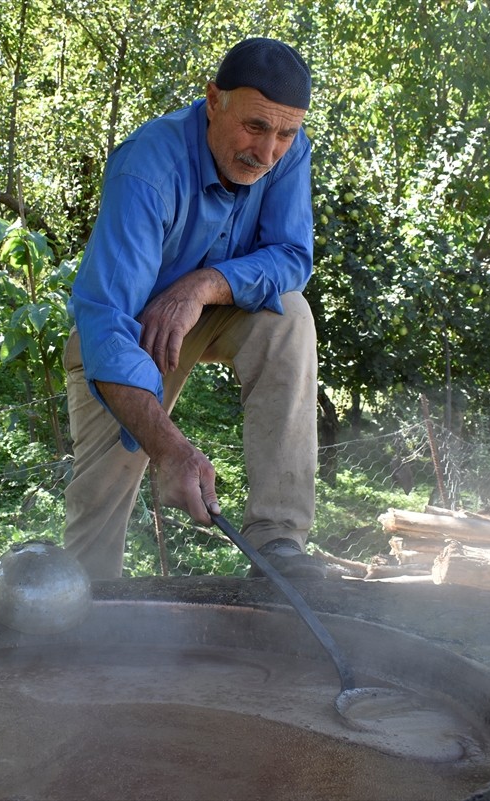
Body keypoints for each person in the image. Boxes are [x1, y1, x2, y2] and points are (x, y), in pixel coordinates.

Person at [63, 37, 328, 581]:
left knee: (291, 318)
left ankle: (278, 542)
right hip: (130, 329)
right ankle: (88, 619)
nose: (269, 152)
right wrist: (171, 450)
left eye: (285, 133)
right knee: (100, 511)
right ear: (213, 100)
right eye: (255, 127)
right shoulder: (145, 169)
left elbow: (292, 257)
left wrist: (203, 286)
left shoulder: (287, 152)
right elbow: (106, 326)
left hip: (222, 308)